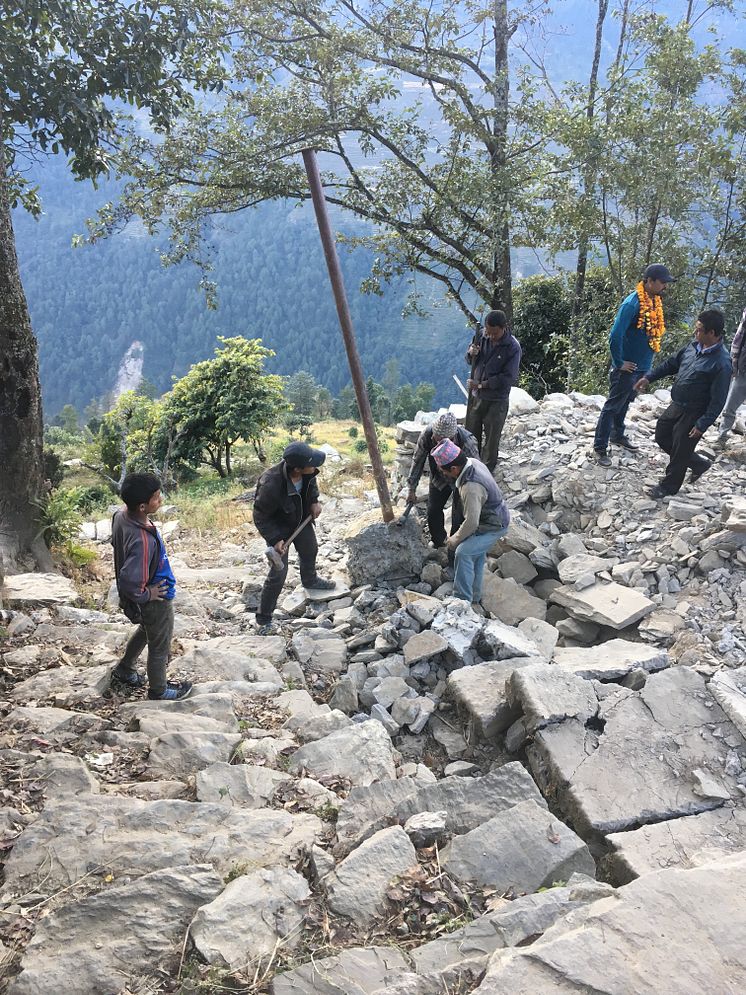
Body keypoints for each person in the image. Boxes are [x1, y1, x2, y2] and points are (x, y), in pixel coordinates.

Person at [111, 472, 192, 701]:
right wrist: (148, 594)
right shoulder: (142, 540)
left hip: (149, 594)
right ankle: (159, 689)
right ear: (143, 506)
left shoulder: (120, 516)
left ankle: (125, 669)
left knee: (147, 631)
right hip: (156, 597)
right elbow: (129, 580)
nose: (161, 500)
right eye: (157, 498)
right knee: (159, 644)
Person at [634, 309, 731, 498]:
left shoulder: (722, 363)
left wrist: (702, 424)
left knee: (681, 449)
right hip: (677, 403)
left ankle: (668, 487)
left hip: (695, 412)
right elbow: (671, 364)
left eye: (699, 330)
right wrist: (649, 377)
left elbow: (719, 399)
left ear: (711, 333)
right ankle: (698, 463)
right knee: (662, 435)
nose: (695, 333)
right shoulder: (693, 346)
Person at [593, 263, 676, 466]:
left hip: (643, 366)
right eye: (662, 282)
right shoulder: (632, 303)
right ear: (649, 281)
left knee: (626, 401)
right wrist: (619, 362)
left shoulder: (655, 300)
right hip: (627, 368)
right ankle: (600, 447)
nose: (665, 286)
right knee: (612, 405)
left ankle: (617, 434)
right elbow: (615, 335)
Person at [253, 441, 336, 634]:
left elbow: (311, 484)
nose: (315, 467)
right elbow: (260, 516)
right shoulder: (270, 483)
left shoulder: (306, 472)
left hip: (300, 519)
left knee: (310, 548)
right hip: (278, 528)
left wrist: (314, 502)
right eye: (311, 464)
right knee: (278, 574)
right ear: (297, 469)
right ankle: (263, 619)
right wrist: (275, 539)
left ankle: (310, 580)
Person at [431, 440, 510, 606]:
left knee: (463, 552)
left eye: (444, 471)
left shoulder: (471, 486)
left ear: (454, 469)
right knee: (476, 554)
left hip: (494, 524)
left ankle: (462, 600)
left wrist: (454, 539)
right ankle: (474, 596)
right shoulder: (472, 462)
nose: (443, 474)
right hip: (491, 517)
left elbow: (471, 523)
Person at [406, 412, 479, 548]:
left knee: (459, 517)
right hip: (439, 478)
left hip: (462, 482)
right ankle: (439, 543)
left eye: (439, 440)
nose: (434, 439)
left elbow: (475, 471)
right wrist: (411, 489)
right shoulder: (428, 435)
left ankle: (454, 549)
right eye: (434, 436)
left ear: (450, 439)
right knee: (433, 511)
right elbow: (418, 461)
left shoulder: (467, 442)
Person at [464, 310, 521, 472]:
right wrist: (471, 353)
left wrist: (482, 385)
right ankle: (470, 468)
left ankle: (486, 473)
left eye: (494, 333)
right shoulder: (481, 336)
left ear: (504, 328)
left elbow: (508, 378)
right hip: (476, 397)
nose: (490, 336)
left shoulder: (512, 347)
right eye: (488, 332)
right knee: (471, 436)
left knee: (491, 439)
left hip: (497, 400)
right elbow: (470, 360)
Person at [716, 306, 746, 444]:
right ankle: (721, 436)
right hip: (743, 369)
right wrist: (734, 362)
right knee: (730, 405)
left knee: (731, 405)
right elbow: (738, 340)